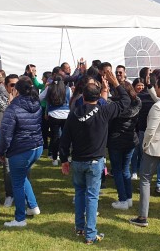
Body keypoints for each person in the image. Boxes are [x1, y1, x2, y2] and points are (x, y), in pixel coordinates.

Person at [59, 70, 129, 244]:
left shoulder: (74, 113)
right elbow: (126, 101)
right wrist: (116, 84)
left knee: (81, 193)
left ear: (82, 96)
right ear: (98, 98)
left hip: (78, 161)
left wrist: (63, 160)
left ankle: (80, 227)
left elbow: (64, 138)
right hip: (94, 162)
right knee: (91, 197)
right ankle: (89, 234)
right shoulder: (104, 110)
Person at [129, 75, 160, 227]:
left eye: (157, 86)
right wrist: (150, 87)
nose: (155, 88)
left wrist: (144, 145)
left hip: (154, 147)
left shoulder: (157, 107)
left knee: (145, 180)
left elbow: (150, 130)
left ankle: (143, 217)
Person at [0, 76, 44, 228]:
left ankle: (19, 218)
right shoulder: (36, 103)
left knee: (17, 182)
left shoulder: (13, 108)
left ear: (16, 90)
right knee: (21, 177)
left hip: (22, 149)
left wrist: (1, 151)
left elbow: (5, 133)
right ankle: (33, 206)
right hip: (36, 147)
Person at [107, 81, 141, 210]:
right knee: (125, 169)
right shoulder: (136, 103)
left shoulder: (114, 106)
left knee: (117, 170)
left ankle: (123, 199)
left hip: (116, 141)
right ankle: (129, 198)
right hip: (130, 140)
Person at [0, 74, 19, 208]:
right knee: (8, 167)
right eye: (12, 85)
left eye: (17, 85)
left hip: (22, 140)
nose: (15, 88)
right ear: (5, 86)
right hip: (7, 140)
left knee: (24, 169)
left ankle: (22, 195)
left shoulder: (25, 99)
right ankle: (10, 195)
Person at [45, 75, 71, 165]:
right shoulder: (68, 89)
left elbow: (41, 98)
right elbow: (71, 101)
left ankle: (55, 158)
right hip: (66, 115)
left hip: (53, 115)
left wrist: (46, 112)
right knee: (66, 137)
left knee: (55, 137)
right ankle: (66, 156)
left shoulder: (49, 88)